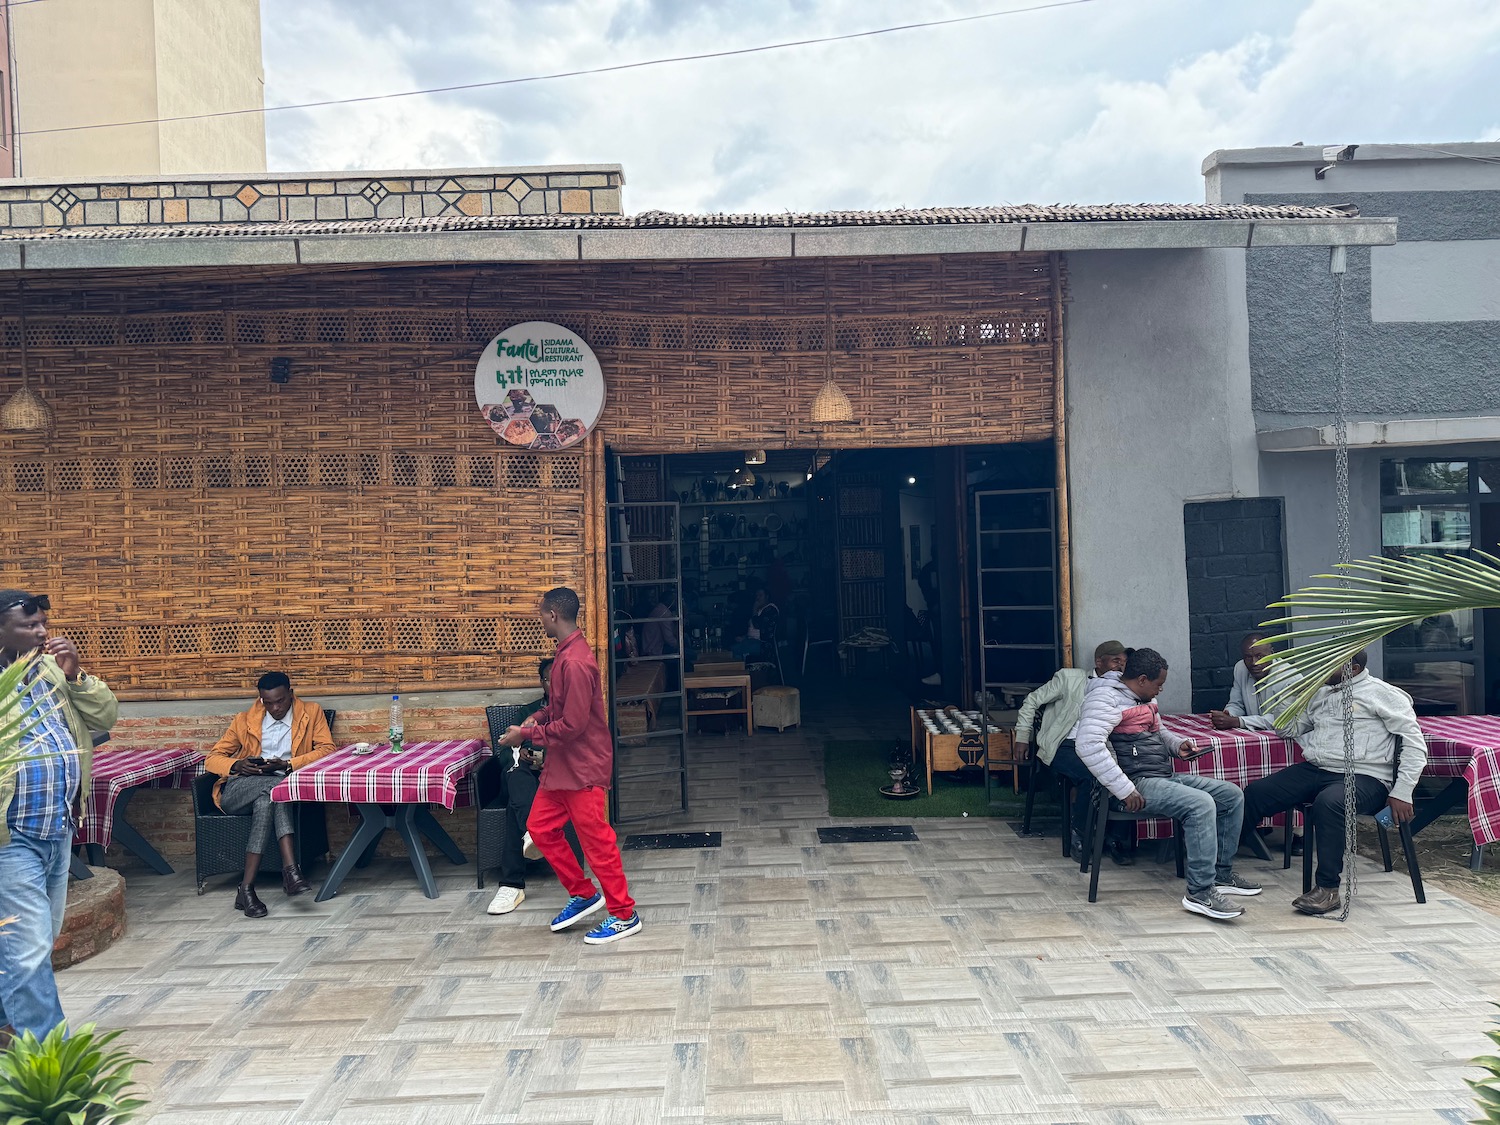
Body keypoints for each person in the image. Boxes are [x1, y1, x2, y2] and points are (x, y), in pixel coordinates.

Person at [0, 590, 118, 1043]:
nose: (43, 632)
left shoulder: (49, 670)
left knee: (35, 943)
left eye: (43, 624)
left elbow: (105, 714)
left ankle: (7, 1026)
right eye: (30, 626)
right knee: (27, 949)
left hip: (57, 827)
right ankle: (52, 1064)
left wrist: (76, 675)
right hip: (11, 837)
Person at [498, 587, 642, 945]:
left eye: (541, 613)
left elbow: (574, 725)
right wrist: (536, 718)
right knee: (540, 828)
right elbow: (559, 710)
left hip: (583, 769)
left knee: (597, 843)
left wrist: (527, 736)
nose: (539, 618)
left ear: (553, 616)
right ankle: (583, 893)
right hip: (562, 769)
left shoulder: (575, 661)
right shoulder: (565, 654)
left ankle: (624, 914)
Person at [1072, 647, 1260, 920]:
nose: (1161, 690)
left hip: (1160, 776)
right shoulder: (1104, 699)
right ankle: (1200, 892)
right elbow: (1087, 745)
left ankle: (1221, 875)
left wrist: (1177, 746)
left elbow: (1158, 732)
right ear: (1143, 679)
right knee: (1200, 804)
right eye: (1159, 684)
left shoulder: (1143, 698)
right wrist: (1124, 789)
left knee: (1230, 795)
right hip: (1132, 785)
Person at [1240, 650, 1428, 916]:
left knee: (1329, 803)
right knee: (1255, 793)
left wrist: (1403, 791)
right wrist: (1292, 696)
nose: (1319, 669)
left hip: (1366, 776)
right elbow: (1287, 729)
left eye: (1327, 664)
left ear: (1351, 668)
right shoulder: (1321, 693)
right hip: (1317, 769)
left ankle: (1327, 890)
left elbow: (1414, 744)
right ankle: (1218, 866)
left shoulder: (1384, 694)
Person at [204, 672, 336, 919]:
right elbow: (211, 759)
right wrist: (237, 766)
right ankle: (291, 870)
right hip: (239, 790)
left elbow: (327, 750)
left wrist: (288, 765)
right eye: (268, 702)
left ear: (291, 694)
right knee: (276, 788)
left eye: (281, 701)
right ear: (260, 699)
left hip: (275, 787)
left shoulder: (310, 712)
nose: (275, 707)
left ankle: (246, 889)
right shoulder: (244, 720)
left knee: (270, 798)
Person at [1017, 640, 1130, 863]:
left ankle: (1113, 838)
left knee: (1124, 775)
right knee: (1092, 775)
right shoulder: (1070, 679)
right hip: (1063, 745)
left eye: (1124, 663)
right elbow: (1032, 701)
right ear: (1099, 661)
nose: (1121, 667)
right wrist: (1022, 736)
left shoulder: (1121, 689)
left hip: (1098, 746)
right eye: (1116, 661)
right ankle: (1081, 834)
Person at [485, 659, 555, 915]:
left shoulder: (573, 716)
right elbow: (503, 752)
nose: (554, 684)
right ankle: (533, 831)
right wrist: (520, 751)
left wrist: (545, 758)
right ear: (541, 682)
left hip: (552, 783)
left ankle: (512, 885)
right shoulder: (527, 711)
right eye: (548, 679)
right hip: (519, 777)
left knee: (519, 803)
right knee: (516, 773)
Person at [1209, 632, 1295, 731]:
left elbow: (1282, 720)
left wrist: (1237, 721)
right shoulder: (1240, 669)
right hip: (1257, 738)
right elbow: (1237, 704)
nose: (1254, 663)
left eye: (1260, 657)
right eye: (1248, 657)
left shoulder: (1289, 677)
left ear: (1272, 653)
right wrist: (1228, 714)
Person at [731, 588, 779, 662]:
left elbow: (757, 625)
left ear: (767, 596)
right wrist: (744, 637)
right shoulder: (761, 610)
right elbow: (753, 630)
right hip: (753, 640)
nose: (757, 598)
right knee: (733, 647)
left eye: (760, 595)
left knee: (735, 650)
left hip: (763, 643)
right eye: (756, 596)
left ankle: (741, 671)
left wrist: (754, 609)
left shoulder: (771, 609)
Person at [640, 589, 678, 658]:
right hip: (653, 649)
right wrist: (679, 645)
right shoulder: (664, 613)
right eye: (675, 601)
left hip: (651, 646)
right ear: (670, 601)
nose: (676, 603)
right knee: (689, 654)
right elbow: (669, 639)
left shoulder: (660, 609)